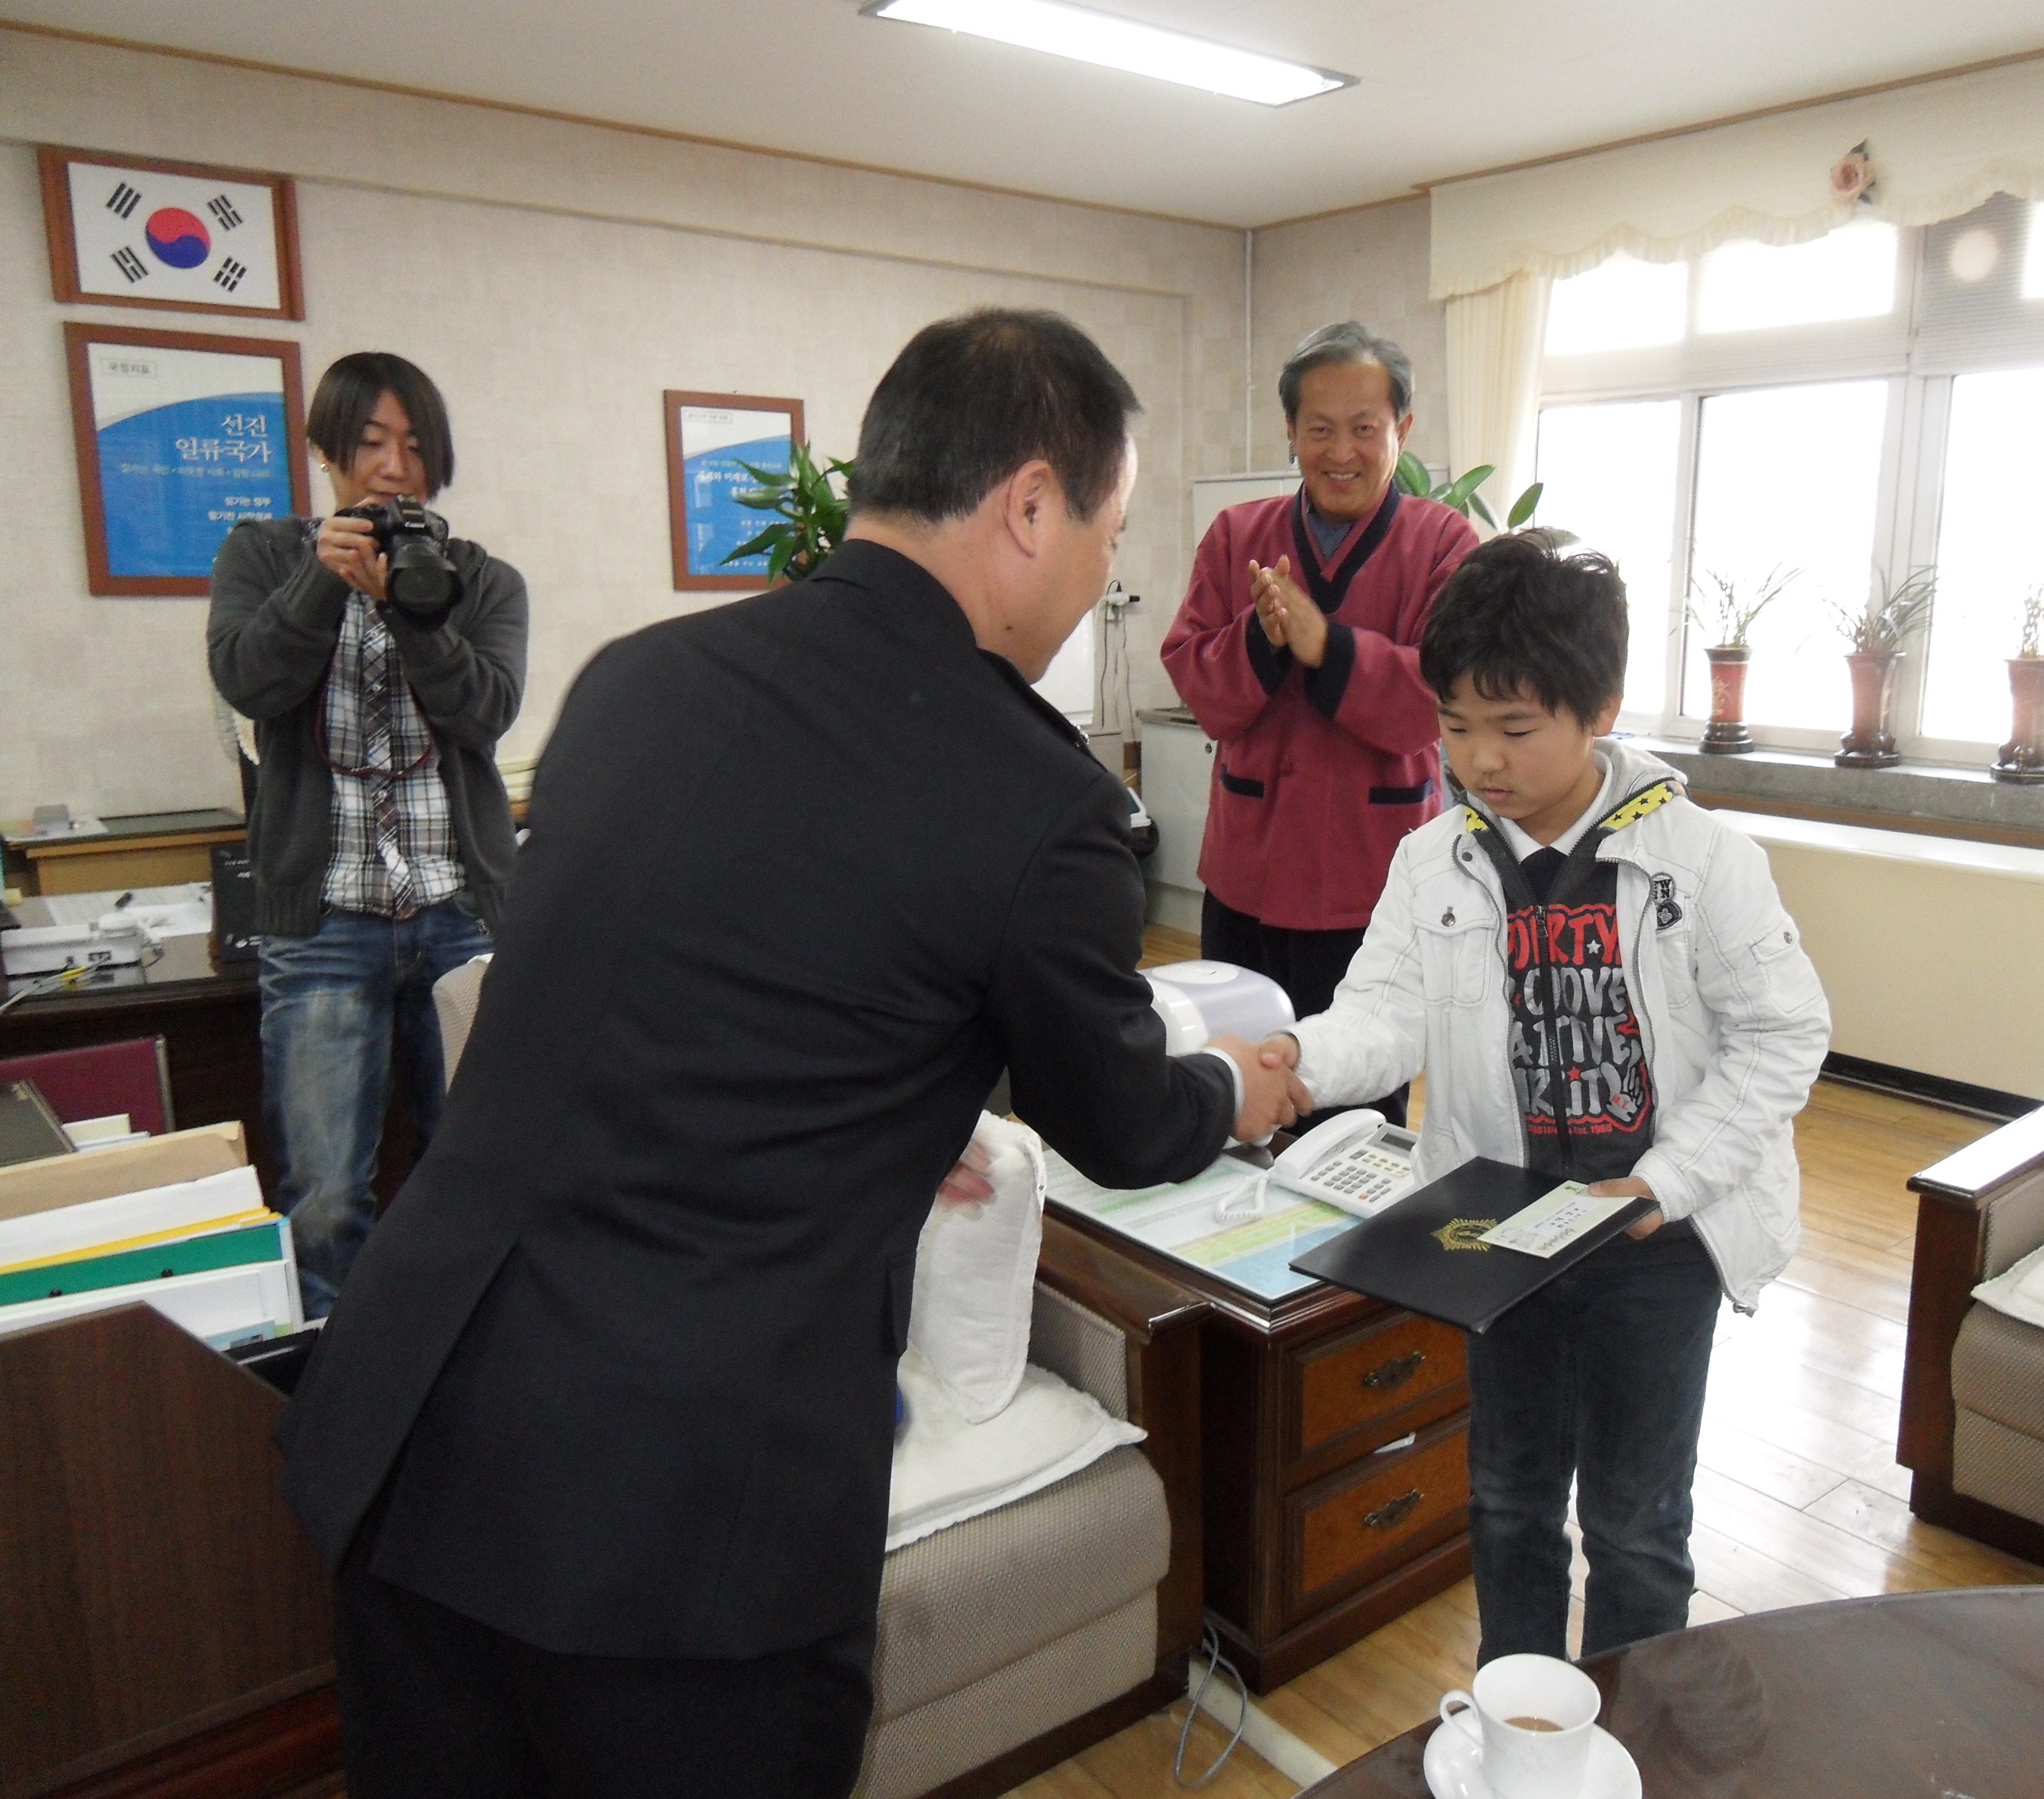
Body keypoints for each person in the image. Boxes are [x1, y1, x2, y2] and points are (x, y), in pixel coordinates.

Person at [276, 309, 1299, 1799]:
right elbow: (1124, 1121)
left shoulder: (638, 681)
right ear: (1030, 506)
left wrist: (890, 1118)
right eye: (1109, 531)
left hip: (415, 1431)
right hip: (678, 1530)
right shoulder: (1041, 800)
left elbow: (672, 995)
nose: (1102, 577)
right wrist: (1231, 1088)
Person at [1259, 536, 1831, 1659]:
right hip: (1503, 1236)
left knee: (1636, 1525)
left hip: (1658, 1242)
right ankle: (1518, 1714)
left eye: (1515, 729)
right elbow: (1386, 1013)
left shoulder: (1703, 860)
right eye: (1455, 725)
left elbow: (1782, 1034)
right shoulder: (1432, 861)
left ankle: (1632, 1720)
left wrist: (1669, 1180)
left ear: (1600, 709)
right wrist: (1295, 1062)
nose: (1481, 759)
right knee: (1507, 1500)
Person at [207, 353, 526, 1319]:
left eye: (417, 447)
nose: (395, 467)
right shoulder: (263, 557)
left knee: (478, 1176)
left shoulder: (483, 580)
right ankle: (342, 1391)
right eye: (373, 442)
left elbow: (485, 714)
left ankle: (462, 1372)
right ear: (326, 450)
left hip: (459, 916)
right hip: (322, 924)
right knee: (325, 1197)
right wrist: (324, 583)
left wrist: (411, 608)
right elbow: (250, 683)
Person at [1161, 321, 1478, 1126]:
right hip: (1249, 873)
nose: (1342, 453)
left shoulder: (1444, 544)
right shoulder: (1238, 536)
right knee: (1239, 1092)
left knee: (1355, 1110)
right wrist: (1261, 640)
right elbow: (1197, 681)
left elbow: (1442, 702)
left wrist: (1325, 646)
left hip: (1373, 886)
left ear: (1402, 429)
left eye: (1365, 429)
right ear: (1291, 431)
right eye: (1320, 430)